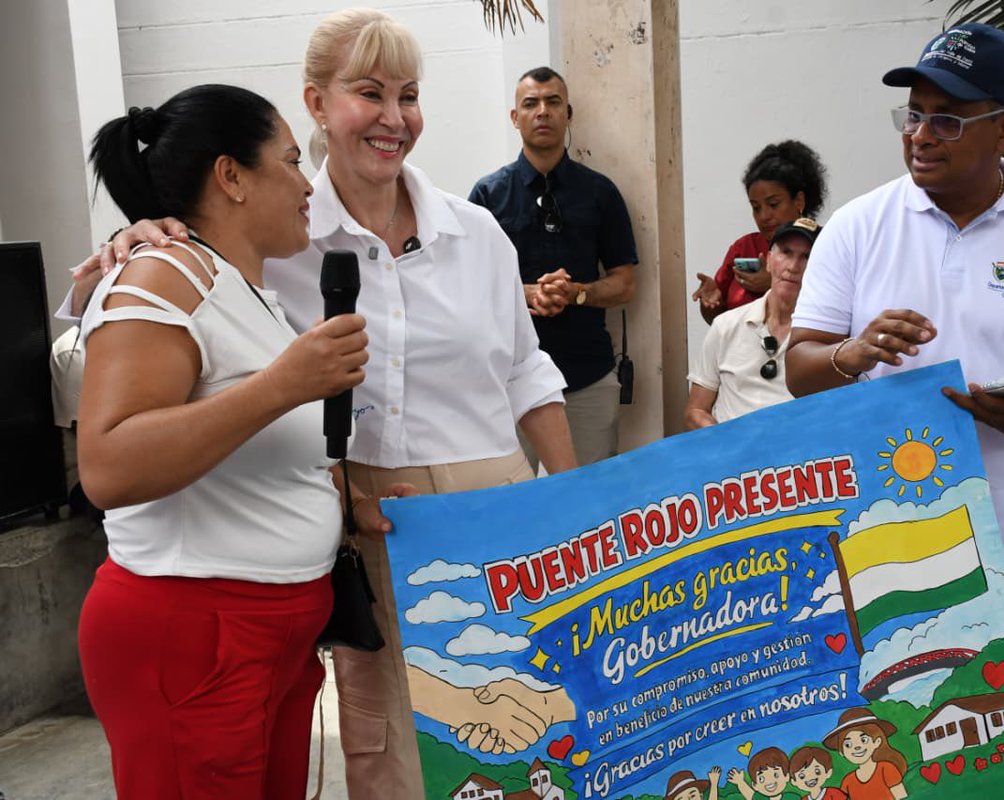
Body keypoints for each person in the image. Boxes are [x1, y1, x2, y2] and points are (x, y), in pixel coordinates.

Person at [68, 10, 576, 798]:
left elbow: (526, 374)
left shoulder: (473, 233)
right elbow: (151, 386)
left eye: (409, 95)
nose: (394, 116)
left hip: (479, 517)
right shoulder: (269, 248)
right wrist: (141, 235)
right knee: (380, 744)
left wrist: (568, 500)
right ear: (316, 102)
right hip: (299, 566)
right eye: (368, 92)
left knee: (514, 735)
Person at [75, 84, 383, 798]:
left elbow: (257, 443)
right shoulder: (162, 274)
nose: (307, 183)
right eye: (288, 161)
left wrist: (348, 498)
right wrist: (283, 383)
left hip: (271, 638)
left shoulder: (251, 294)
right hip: (196, 636)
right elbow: (110, 464)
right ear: (232, 176)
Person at [784, 22, 1004, 644]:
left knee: (987, 717)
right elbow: (801, 368)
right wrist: (854, 352)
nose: (920, 136)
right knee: (884, 721)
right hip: (872, 525)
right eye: (913, 115)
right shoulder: (857, 226)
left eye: (947, 120)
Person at [469, 67, 637, 469]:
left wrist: (577, 292)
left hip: (587, 376)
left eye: (553, 102)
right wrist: (528, 294)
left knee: (590, 507)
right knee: (514, 507)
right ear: (515, 117)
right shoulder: (488, 195)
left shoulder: (600, 192)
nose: (542, 111)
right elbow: (467, 285)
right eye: (531, 103)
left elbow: (625, 283)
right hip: (505, 378)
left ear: (568, 113)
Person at [685, 218, 820, 429]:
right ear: (769, 260)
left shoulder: (826, 334)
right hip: (732, 454)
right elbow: (695, 411)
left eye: (807, 257)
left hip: (795, 456)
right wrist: (725, 443)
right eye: (786, 252)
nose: (793, 267)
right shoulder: (726, 325)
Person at [692, 140, 827, 324]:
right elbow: (720, 324)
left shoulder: (825, 246)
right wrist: (711, 301)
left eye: (773, 204)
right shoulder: (743, 247)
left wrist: (771, 285)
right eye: (756, 207)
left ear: (799, 201)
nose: (763, 216)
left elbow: (830, 313)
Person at [822, 708, 907, 800]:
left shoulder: (886, 769)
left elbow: (902, 797)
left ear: (877, 742)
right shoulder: (848, 781)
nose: (857, 747)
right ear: (842, 752)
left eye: (863, 740)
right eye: (848, 744)